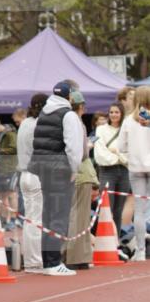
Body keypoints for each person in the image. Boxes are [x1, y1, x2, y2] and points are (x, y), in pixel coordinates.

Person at [27, 80, 83, 275]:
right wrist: (74, 169)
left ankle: (47, 261)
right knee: (59, 215)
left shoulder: (44, 112)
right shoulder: (68, 115)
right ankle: (53, 262)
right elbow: (74, 148)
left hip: (43, 168)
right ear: (69, 96)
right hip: (60, 170)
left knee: (48, 214)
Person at [65, 91, 98, 269]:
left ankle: (71, 255)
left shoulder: (62, 121)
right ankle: (77, 257)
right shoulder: (78, 124)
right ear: (82, 107)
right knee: (80, 218)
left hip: (66, 172)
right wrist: (89, 146)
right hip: (80, 172)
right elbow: (82, 152)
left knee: (71, 216)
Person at [17, 93, 48, 273]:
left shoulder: (24, 123)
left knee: (30, 219)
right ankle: (35, 261)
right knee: (36, 219)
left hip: (24, 174)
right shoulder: (40, 125)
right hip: (36, 175)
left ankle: (30, 259)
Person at [118, 86, 150, 261]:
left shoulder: (129, 120)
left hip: (136, 168)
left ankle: (140, 250)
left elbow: (121, 147)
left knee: (139, 210)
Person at [94, 101, 130, 237]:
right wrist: (121, 156)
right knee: (106, 208)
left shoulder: (127, 130)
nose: (114, 115)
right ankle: (104, 241)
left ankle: (116, 242)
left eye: (117, 112)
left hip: (124, 172)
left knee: (118, 210)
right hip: (107, 172)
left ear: (122, 114)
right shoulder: (101, 129)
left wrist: (116, 153)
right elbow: (100, 155)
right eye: (111, 112)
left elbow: (131, 153)